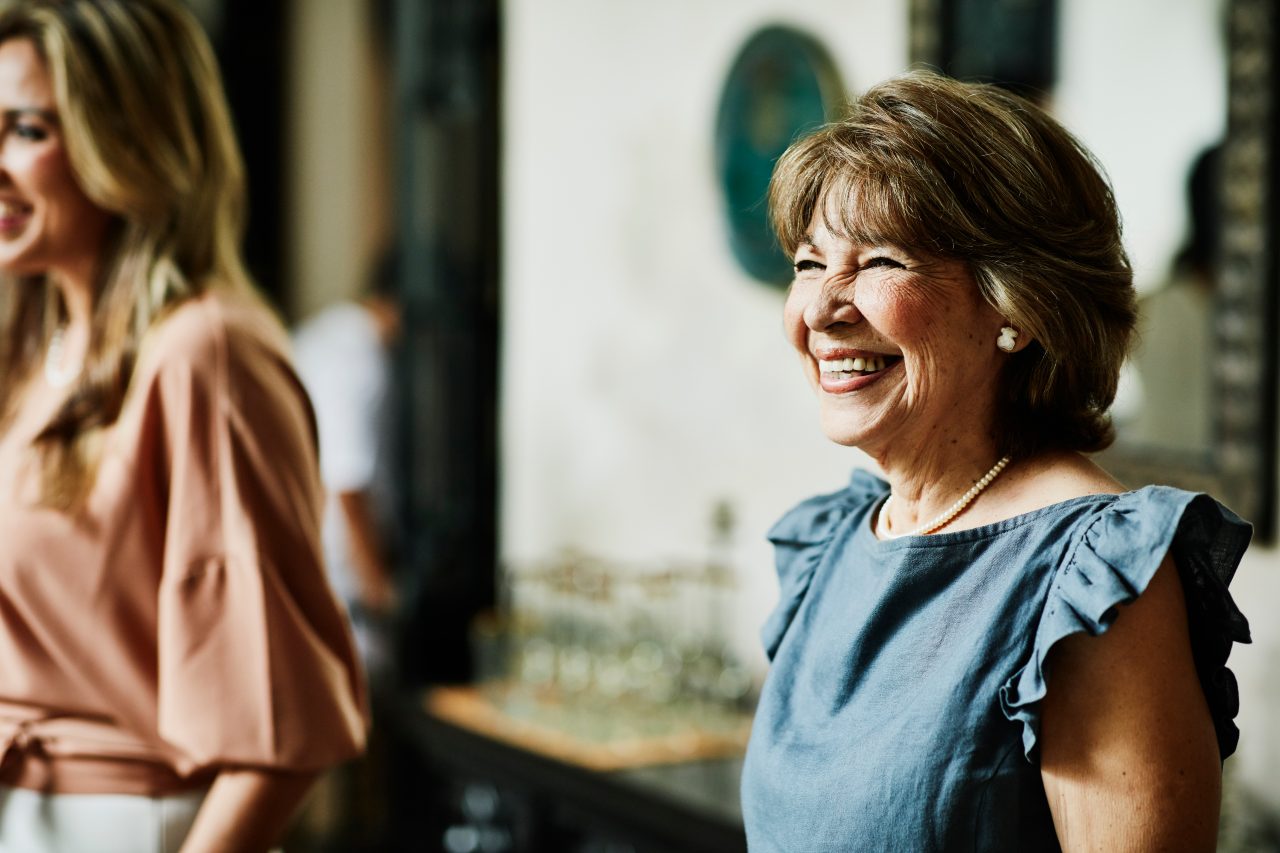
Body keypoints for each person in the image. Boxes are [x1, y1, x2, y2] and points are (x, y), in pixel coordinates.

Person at [741, 71, 1251, 852]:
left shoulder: (1093, 582)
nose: (822, 309)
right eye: (810, 264)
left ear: (1016, 304)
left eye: (879, 262)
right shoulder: (839, 538)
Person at [0, 2, 366, 851]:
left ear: (126, 137)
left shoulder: (206, 353)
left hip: (131, 826)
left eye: (25, 129)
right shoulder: (41, 349)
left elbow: (288, 728)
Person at [292, 255, 402, 691]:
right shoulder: (359, 359)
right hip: (341, 587)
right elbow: (348, 481)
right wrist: (379, 591)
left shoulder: (321, 337)